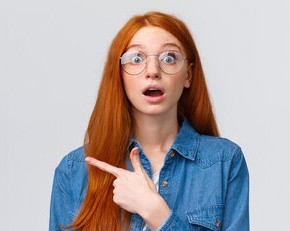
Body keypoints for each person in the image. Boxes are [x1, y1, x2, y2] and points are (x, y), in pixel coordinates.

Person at [49, 11, 249, 231]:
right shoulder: (74, 170)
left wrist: (156, 212)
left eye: (169, 58)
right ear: (120, 75)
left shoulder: (223, 161)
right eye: (136, 59)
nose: (152, 71)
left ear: (188, 76)